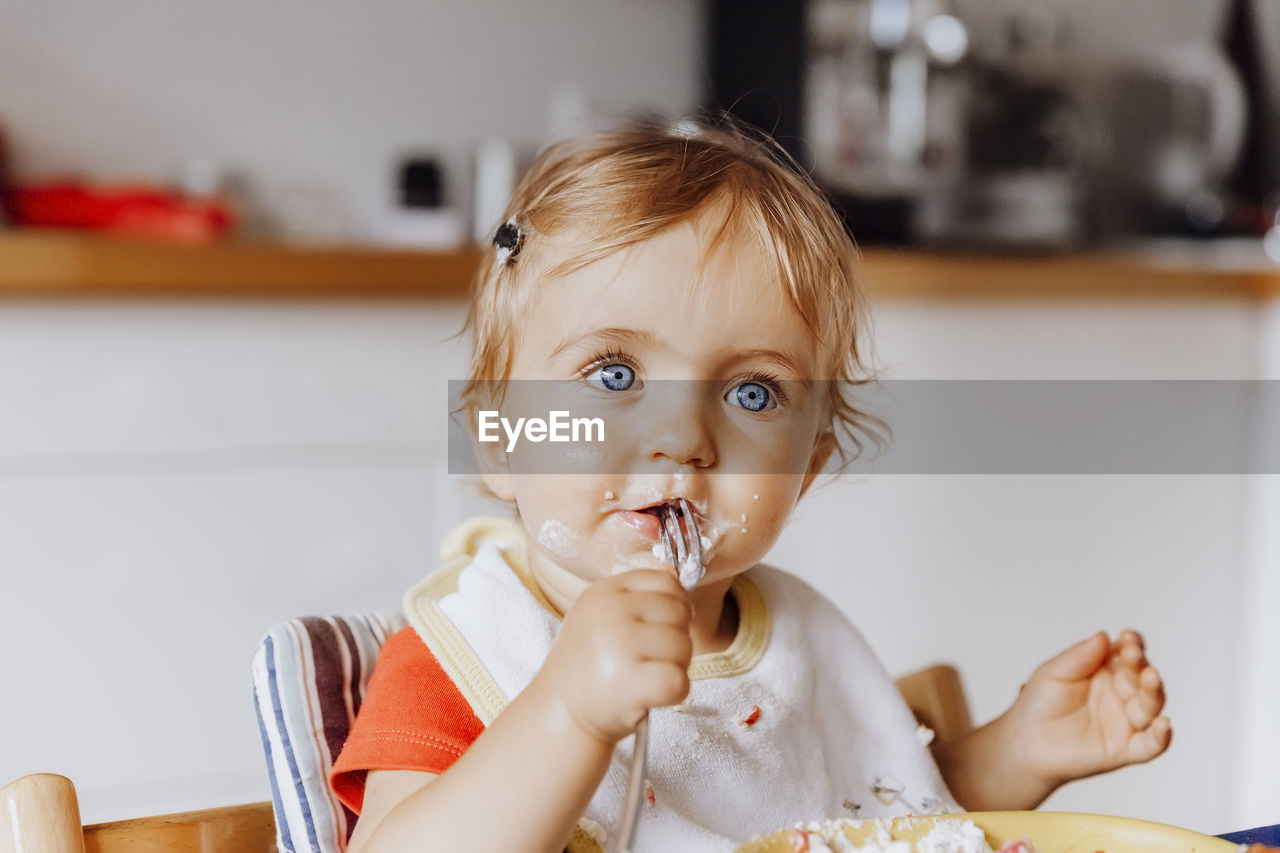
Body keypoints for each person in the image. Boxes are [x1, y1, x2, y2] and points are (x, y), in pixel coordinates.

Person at [330, 119, 1171, 853]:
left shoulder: (801, 641)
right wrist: (568, 712)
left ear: (805, 470)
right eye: (615, 373)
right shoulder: (472, 652)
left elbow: (873, 825)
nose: (682, 438)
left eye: (752, 392)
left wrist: (1021, 753)